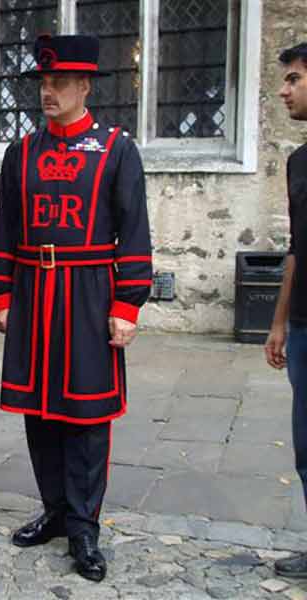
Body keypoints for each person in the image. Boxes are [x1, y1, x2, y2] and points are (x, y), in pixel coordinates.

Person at [0, 34, 152, 582]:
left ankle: (84, 527)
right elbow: (6, 224)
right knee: (40, 411)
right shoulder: (21, 153)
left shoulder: (116, 149)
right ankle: (55, 510)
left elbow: (133, 230)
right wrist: (2, 292)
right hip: (33, 292)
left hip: (88, 295)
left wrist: (128, 304)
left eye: (58, 83)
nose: (47, 92)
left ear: (84, 86)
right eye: (43, 83)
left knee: (86, 416)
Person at [265, 42, 307, 579]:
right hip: (303, 326)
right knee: (305, 449)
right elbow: (296, 247)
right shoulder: (298, 162)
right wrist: (279, 321)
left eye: (294, 79)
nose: (283, 90)